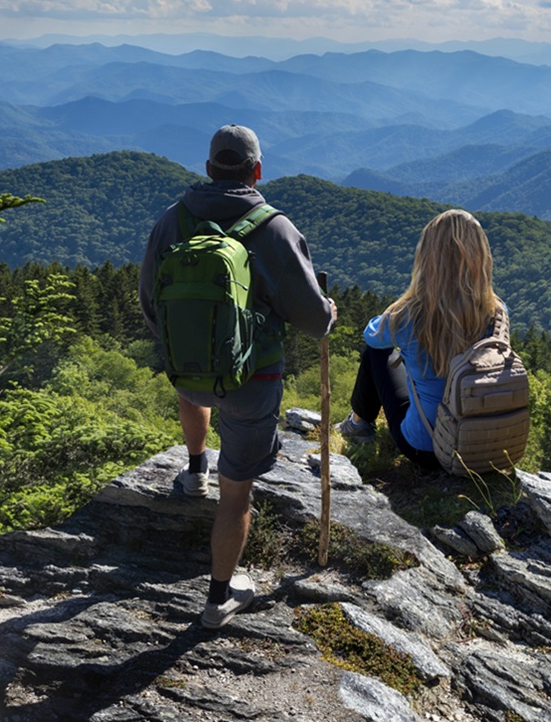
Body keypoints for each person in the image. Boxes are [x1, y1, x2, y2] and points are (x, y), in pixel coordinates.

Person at [138, 124, 335, 628]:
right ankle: (218, 599)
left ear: (207, 169)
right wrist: (329, 310)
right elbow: (314, 322)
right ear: (257, 170)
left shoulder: (172, 220)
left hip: (186, 374)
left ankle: (194, 468)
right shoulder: (274, 229)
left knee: (195, 387)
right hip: (253, 382)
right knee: (238, 494)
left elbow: (149, 303)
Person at [340, 209, 502, 470]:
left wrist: (401, 303)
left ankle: (358, 424)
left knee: (376, 354)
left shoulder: (410, 314)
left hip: (424, 446)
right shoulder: (497, 311)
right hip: (483, 446)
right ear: (481, 255)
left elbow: (371, 336)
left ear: (428, 258)